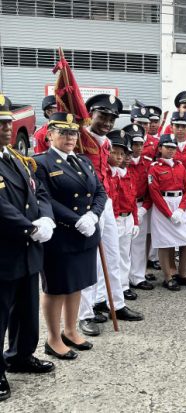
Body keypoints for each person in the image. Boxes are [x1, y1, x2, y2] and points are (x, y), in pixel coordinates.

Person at [34, 112, 107, 360]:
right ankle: (53, 339)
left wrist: (93, 216)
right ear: (50, 135)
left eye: (73, 132)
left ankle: (70, 330)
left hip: (85, 233)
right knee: (56, 287)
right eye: (63, 132)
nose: (70, 137)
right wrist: (76, 220)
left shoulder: (83, 161)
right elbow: (45, 199)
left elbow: (100, 192)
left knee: (76, 283)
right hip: (61, 235)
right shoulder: (41, 163)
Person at [0, 94, 56, 402]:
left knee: (26, 308)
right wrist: (29, 227)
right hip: (7, 247)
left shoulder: (17, 158)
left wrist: (45, 218)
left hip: (28, 248)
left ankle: (21, 356)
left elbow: (39, 190)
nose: (7, 128)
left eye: (8, 122)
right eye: (0, 123)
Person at [78, 94, 143, 338]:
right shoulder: (81, 138)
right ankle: (85, 314)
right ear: (90, 115)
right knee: (88, 262)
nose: (107, 123)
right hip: (85, 205)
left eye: (111, 119)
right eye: (102, 116)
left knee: (113, 256)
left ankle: (115, 303)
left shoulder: (106, 143)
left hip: (103, 201)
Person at [147, 135, 186, 291]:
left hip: (180, 204)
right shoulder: (154, 167)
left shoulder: (180, 166)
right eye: (167, 147)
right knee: (164, 243)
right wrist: (169, 213)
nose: (170, 150)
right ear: (160, 148)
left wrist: (181, 209)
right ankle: (168, 277)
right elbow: (154, 193)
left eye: (173, 148)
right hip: (163, 206)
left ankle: (182, 274)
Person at [107, 130, 140, 301]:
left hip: (128, 218)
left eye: (124, 154)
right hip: (115, 218)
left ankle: (124, 286)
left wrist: (135, 221)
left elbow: (132, 200)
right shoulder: (109, 174)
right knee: (112, 257)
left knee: (124, 255)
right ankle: (110, 290)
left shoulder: (128, 174)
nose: (121, 157)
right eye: (116, 153)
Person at [125, 124, 155, 290]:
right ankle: (123, 281)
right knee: (123, 246)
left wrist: (144, 208)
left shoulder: (148, 163)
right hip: (124, 208)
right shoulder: (122, 163)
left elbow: (152, 189)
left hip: (141, 206)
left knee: (139, 243)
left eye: (140, 144)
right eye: (134, 144)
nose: (137, 148)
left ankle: (137, 276)